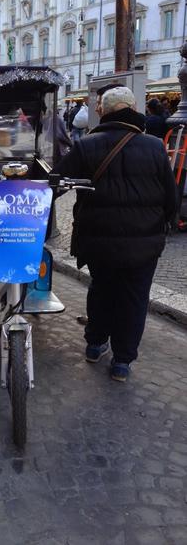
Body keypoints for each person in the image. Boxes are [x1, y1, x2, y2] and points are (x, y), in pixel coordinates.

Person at [54, 86, 177, 382]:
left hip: (99, 238)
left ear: (104, 111)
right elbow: (170, 196)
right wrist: (165, 225)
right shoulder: (155, 146)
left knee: (102, 290)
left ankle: (95, 345)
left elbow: (56, 182)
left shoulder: (87, 145)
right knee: (134, 299)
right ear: (133, 108)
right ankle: (122, 361)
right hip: (144, 241)